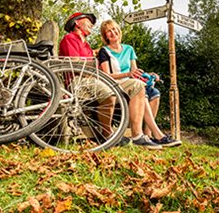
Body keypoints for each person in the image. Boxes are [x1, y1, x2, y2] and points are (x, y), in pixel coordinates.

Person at [60, 12, 161, 149]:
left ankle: (139, 135)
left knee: (141, 86)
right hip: (79, 80)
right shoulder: (70, 38)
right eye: (88, 20)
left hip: (92, 79)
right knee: (109, 93)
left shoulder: (86, 45)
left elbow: (91, 59)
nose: (91, 24)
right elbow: (76, 65)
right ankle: (107, 134)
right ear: (77, 23)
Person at [98, 19, 181, 147]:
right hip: (115, 83)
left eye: (114, 29)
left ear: (119, 31)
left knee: (154, 93)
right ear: (105, 36)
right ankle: (150, 135)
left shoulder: (129, 49)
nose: (113, 32)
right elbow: (107, 76)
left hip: (130, 82)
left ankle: (148, 135)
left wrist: (149, 75)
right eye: (108, 31)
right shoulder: (104, 51)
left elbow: (135, 72)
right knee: (139, 88)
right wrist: (128, 75)